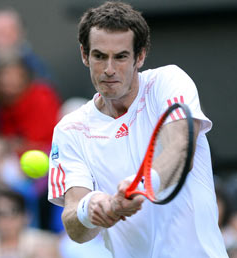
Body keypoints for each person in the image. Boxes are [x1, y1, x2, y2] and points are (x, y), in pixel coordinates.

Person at [48, 2, 228, 257]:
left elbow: (180, 150)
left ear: (140, 56)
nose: (109, 69)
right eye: (100, 56)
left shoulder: (168, 81)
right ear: (84, 55)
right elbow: (74, 223)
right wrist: (92, 210)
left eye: (121, 56)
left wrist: (139, 187)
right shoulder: (70, 128)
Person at [0, 8, 53, 99]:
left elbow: (48, 87)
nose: (5, 39)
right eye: (0, 33)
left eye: (11, 33)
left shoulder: (32, 64)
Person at [0, 186, 61, 258]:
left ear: (26, 216)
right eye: (0, 214)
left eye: (13, 212)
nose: (7, 220)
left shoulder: (45, 243)